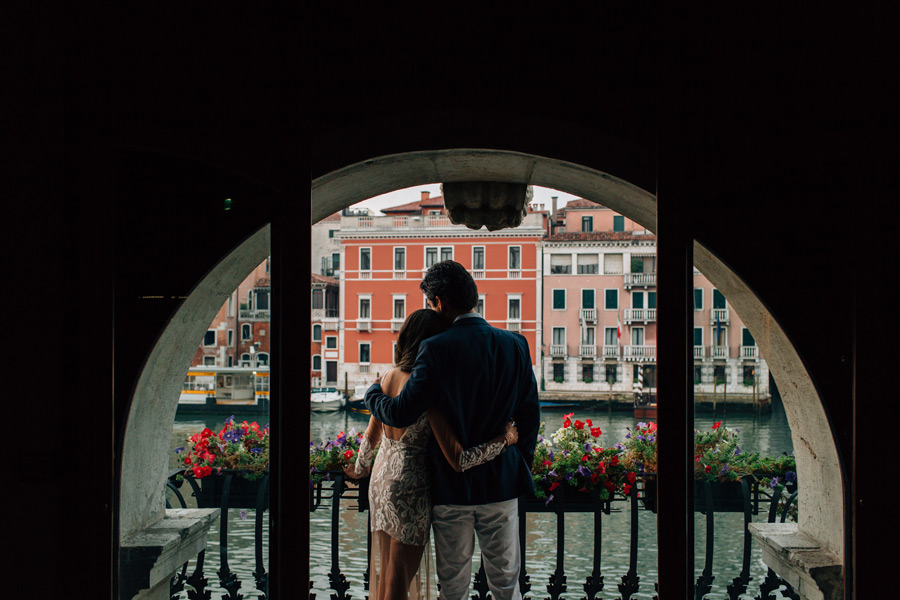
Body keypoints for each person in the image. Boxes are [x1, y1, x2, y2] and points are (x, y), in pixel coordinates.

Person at [365, 260, 541, 600]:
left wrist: (372, 391)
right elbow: (529, 416)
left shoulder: (436, 349)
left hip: (451, 488)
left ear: (439, 302)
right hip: (502, 485)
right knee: (507, 583)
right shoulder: (516, 344)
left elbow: (400, 413)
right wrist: (519, 465)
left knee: (454, 587)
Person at [345, 308, 519, 600]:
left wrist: (360, 468)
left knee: (387, 575)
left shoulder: (387, 377)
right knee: (398, 582)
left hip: (380, 483)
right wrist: (504, 440)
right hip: (409, 489)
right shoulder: (427, 390)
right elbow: (459, 459)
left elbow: (371, 435)